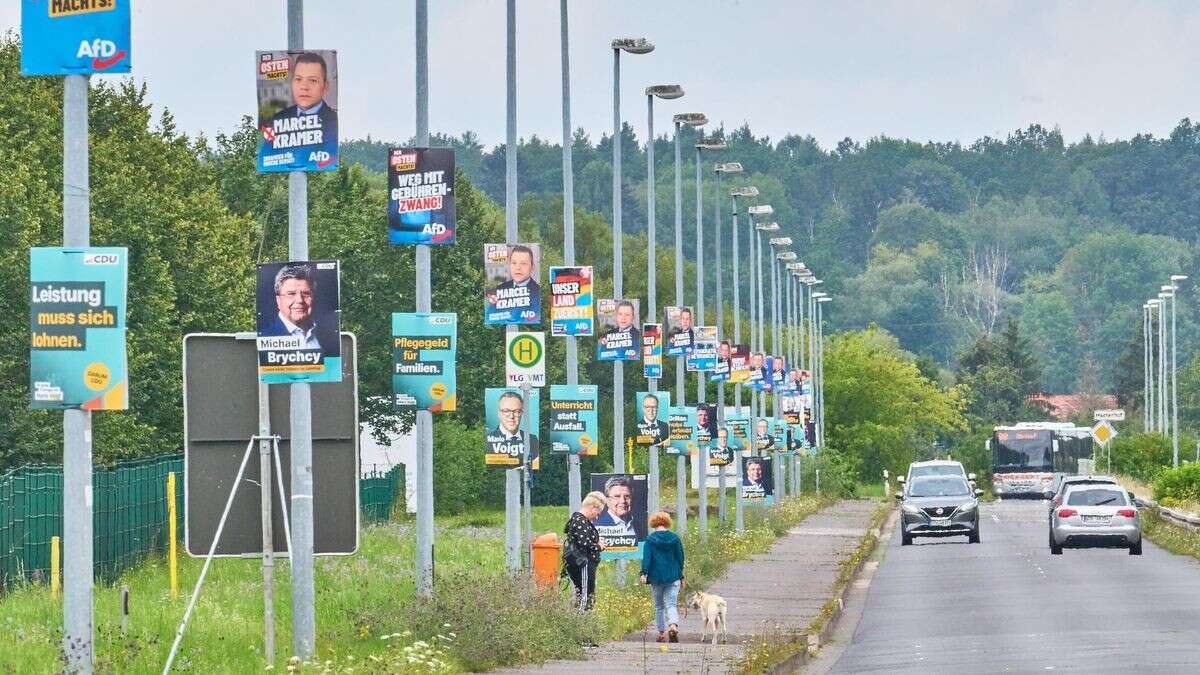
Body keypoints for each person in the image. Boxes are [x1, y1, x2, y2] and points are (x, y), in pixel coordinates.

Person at [259, 263, 339, 357]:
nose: (300, 300)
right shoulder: (266, 337)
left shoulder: (328, 338)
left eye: (306, 294)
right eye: (291, 294)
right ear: (278, 300)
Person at [267, 52, 338, 156]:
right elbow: (266, 155)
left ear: (325, 86)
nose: (304, 87)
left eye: (313, 80)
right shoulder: (278, 119)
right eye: (298, 79)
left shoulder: (332, 119)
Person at [640, 511, 685, 643]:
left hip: (656, 577)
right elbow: (680, 558)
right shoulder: (675, 538)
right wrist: (681, 575)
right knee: (671, 604)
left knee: (659, 606)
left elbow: (647, 558)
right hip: (673, 575)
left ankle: (661, 633)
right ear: (667, 523)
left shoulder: (650, 539)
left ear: (653, 523)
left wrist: (644, 573)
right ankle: (673, 625)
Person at [563, 491, 606, 610]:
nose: (597, 516)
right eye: (598, 513)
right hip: (583, 563)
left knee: (585, 594)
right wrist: (599, 546)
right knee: (586, 596)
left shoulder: (579, 520)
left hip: (583, 563)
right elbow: (585, 543)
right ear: (593, 508)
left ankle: (582, 620)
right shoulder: (580, 521)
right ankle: (582, 623)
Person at [486, 391, 540, 470]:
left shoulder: (532, 440)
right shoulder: (489, 439)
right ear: (499, 413)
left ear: (522, 413)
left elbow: (534, 463)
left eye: (516, 411)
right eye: (506, 411)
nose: (511, 416)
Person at [492, 244, 540, 310]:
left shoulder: (537, 291)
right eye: (514, 263)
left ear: (532, 268)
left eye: (523, 263)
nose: (518, 268)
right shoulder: (499, 289)